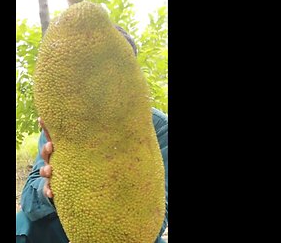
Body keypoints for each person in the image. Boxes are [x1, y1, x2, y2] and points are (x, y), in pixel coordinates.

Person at [16, 26, 169, 243]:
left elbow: (158, 218)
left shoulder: (159, 128)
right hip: (65, 223)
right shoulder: (63, 122)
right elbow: (30, 201)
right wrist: (49, 190)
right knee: (23, 225)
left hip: (129, 232)